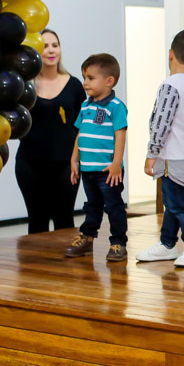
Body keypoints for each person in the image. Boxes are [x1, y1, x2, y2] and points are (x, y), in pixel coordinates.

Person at [137, 29, 184, 268]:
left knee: (178, 204)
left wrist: (152, 153)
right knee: (173, 201)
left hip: (170, 157)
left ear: (170, 54)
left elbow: (161, 122)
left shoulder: (170, 86)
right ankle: (167, 244)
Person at [14, 29, 84, 233]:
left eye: (55, 45)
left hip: (67, 164)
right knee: (37, 221)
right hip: (30, 163)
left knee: (64, 219)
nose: (51, 50)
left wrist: (78, 158)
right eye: (45, 46)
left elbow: (83, 125)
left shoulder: (74, 85)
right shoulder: (24, 86)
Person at [64, 54, 129, 262]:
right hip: (88, 169)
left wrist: (116, 164)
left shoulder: (116, 106)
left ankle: (118, 243)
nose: (85, 83)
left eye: (91, 78)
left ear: (109, 81)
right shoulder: (86, 106)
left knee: (114, 207)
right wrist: (74, 159)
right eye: (84, 77)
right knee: (92, 205)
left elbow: (120, 135)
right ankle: (87, 238)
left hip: (108, 170)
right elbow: (80, 133)